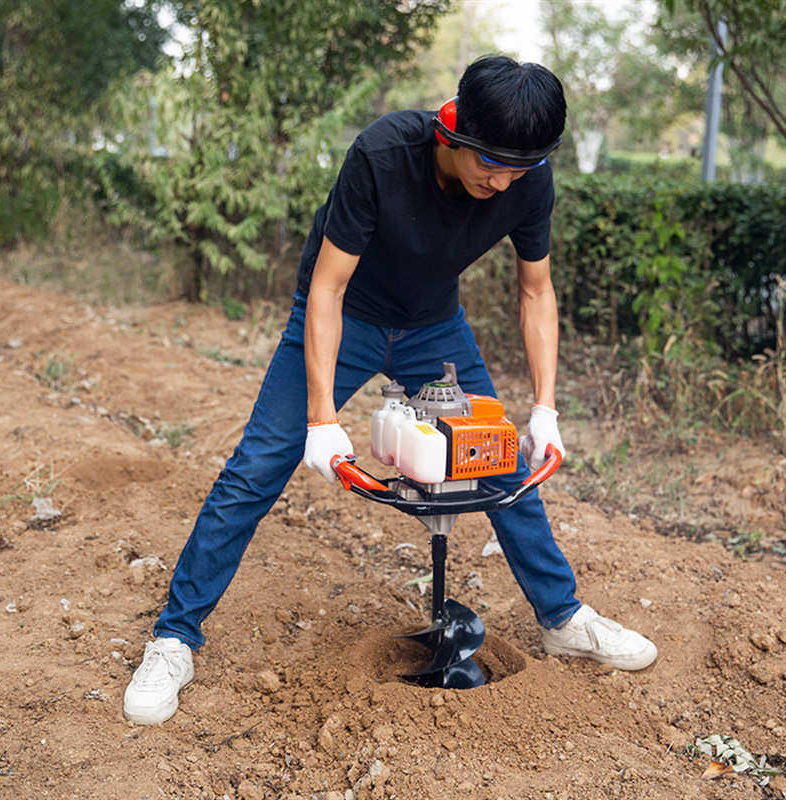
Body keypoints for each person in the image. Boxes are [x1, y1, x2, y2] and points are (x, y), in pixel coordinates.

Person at [123, 55, 657, 726]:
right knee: (257, 466)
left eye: (519, 168)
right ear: (454, 131)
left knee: (499, 462)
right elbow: (327, 287)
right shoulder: (384, 153)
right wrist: (321, 417)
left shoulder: (527, 179)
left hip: (434, 328)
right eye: (489, 163)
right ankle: (174, 639)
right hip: (347, 318)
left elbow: (536, 290)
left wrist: (545, 407)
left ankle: (563, 618)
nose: (501, 181)